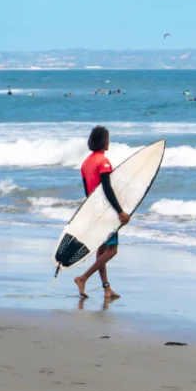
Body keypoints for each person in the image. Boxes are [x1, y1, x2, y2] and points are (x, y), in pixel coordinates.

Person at [74, 126, 129, 300]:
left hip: (94, 209)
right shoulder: (103, 162)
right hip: (106, 210)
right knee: (112, 250)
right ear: (103, 141)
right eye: (108, 138)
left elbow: (87, 191)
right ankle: (83, 278)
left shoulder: (86, 163)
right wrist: (120, 211)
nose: (109, 141)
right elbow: (106, 188)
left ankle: (106, 288)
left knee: (102, 249)